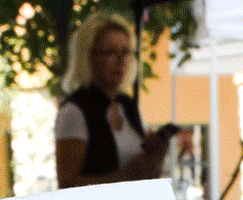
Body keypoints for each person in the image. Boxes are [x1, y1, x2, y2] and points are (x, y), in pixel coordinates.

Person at [54, 13, 172, 188]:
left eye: (126, 52)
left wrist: (156, 156)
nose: (121, 60)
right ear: (89, 57)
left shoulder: (128, 106)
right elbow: (67, 184)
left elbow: (146, 176)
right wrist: (126, 175)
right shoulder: (74, 111)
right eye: (110, 52)